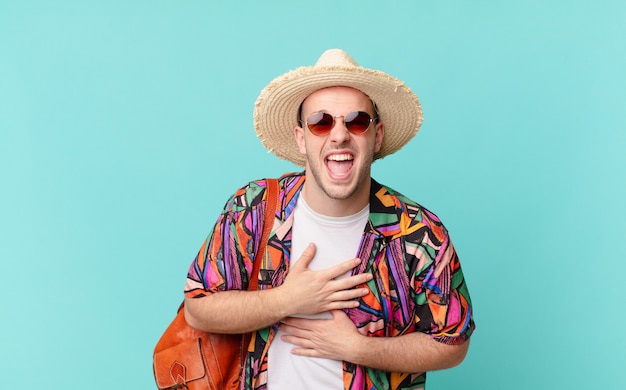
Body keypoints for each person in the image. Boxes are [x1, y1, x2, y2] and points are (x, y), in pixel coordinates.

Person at [183, 48, 475, 390]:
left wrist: (358, 348)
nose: (339, 135)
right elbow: (197, 309)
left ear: (376, 136)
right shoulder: (254, 207)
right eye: (321, 122)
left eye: (357, 121)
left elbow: (453, 344)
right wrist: (287, 299)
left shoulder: (419, 232)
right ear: (301, 138)